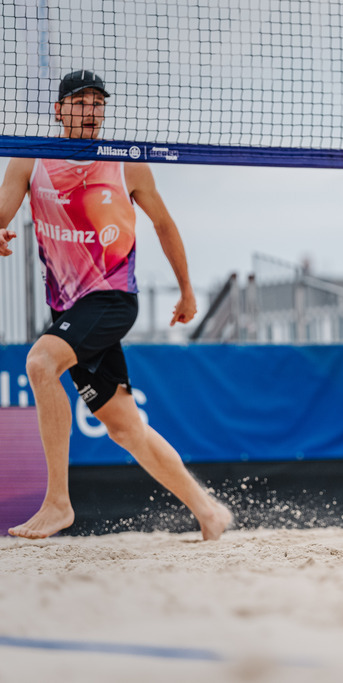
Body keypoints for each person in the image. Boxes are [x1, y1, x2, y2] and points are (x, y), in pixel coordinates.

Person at [0, 69, 232, 540]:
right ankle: (209, 511)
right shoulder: (30, 159)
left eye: (98, 103)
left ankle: (58, 503)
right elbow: (2, 211)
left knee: (41, 363)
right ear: (58, 110)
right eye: (80, 102)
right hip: (70, 309)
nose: (91, 111)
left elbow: (164, 224)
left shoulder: (126, 163)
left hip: (112, 299)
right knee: (126, 428)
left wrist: (187, 290)